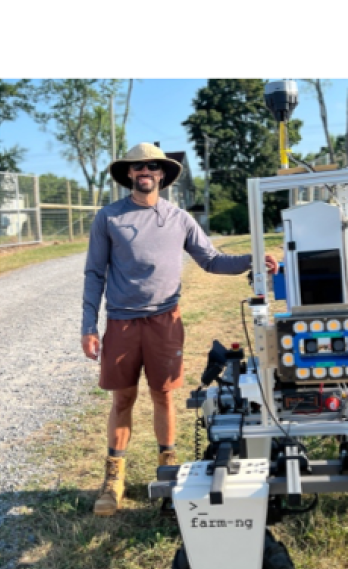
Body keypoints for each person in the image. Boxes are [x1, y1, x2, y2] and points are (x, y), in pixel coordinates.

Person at [82, 143, 278, 516]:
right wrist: (88, 325)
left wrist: (252, 260)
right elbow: (94, 273)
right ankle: (113, 479)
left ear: (162, 174)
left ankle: (169, 469)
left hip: (165, 321)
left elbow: (212, 260)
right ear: (129, 173)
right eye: (138, 166)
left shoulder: (179, 219)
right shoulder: (109, 218)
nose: (145, 171)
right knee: (122, 399)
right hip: (122, 322)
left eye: (153, 166)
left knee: (164, 396)